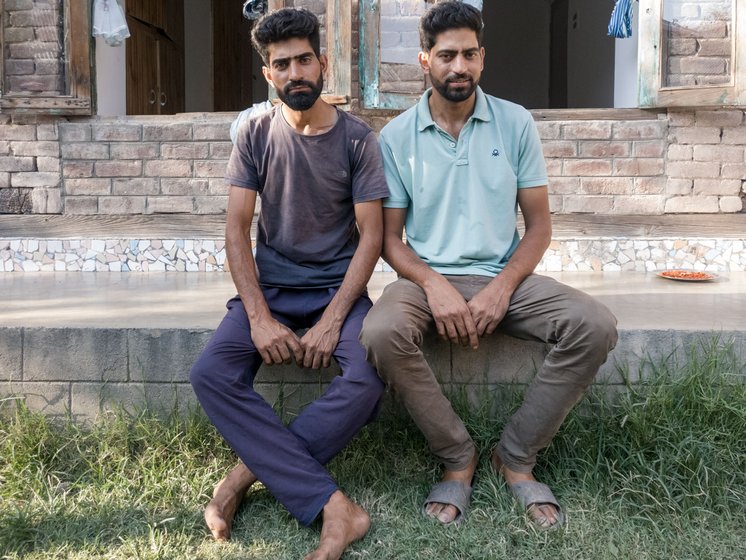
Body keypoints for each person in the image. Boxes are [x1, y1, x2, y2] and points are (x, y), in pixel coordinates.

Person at [360, 1, 618, 530]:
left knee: (594, 325)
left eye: (470, 54)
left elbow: (539, 226)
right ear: (424, 60)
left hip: (504, 274)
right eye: (447, 55)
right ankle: (457, 456)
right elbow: (389, 240)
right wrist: (433, 284)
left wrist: (502, 287)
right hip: (425, 276)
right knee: (382, 331)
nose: (460, 67)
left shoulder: (515, 122)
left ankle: (516, 455)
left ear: (483, 58)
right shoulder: (396, 137)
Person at [190, 8, 389, 559]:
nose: (296, 72)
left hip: (337, 293)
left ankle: (238, 480)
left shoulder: (357, 140)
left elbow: (371, 238)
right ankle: (334, 507)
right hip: (271, 290)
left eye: (305, 59)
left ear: (323, 63)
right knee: (211, 373)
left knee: (368, 379)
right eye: (283, 64)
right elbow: (235, 229)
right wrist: (257, 316)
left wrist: (331, 320)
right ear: (268, 74)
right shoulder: (254, 132)